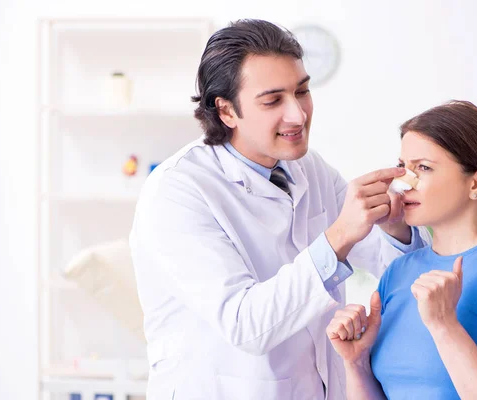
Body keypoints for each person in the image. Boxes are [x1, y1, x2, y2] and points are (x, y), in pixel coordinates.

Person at [129, 19, 431, 399]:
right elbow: (245, 324)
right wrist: (338, 236)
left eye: (302, 92)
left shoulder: (311, 170)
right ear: (226, 111)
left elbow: (391, 270)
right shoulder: (178, 190)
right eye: (273, 100)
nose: (298, 115)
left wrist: (396, 228)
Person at [327, 100, 477, 399]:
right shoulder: (400, 270)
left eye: (423, 168)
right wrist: (356, 361)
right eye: (402, 167)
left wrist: (444, 326)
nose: (402, 184)